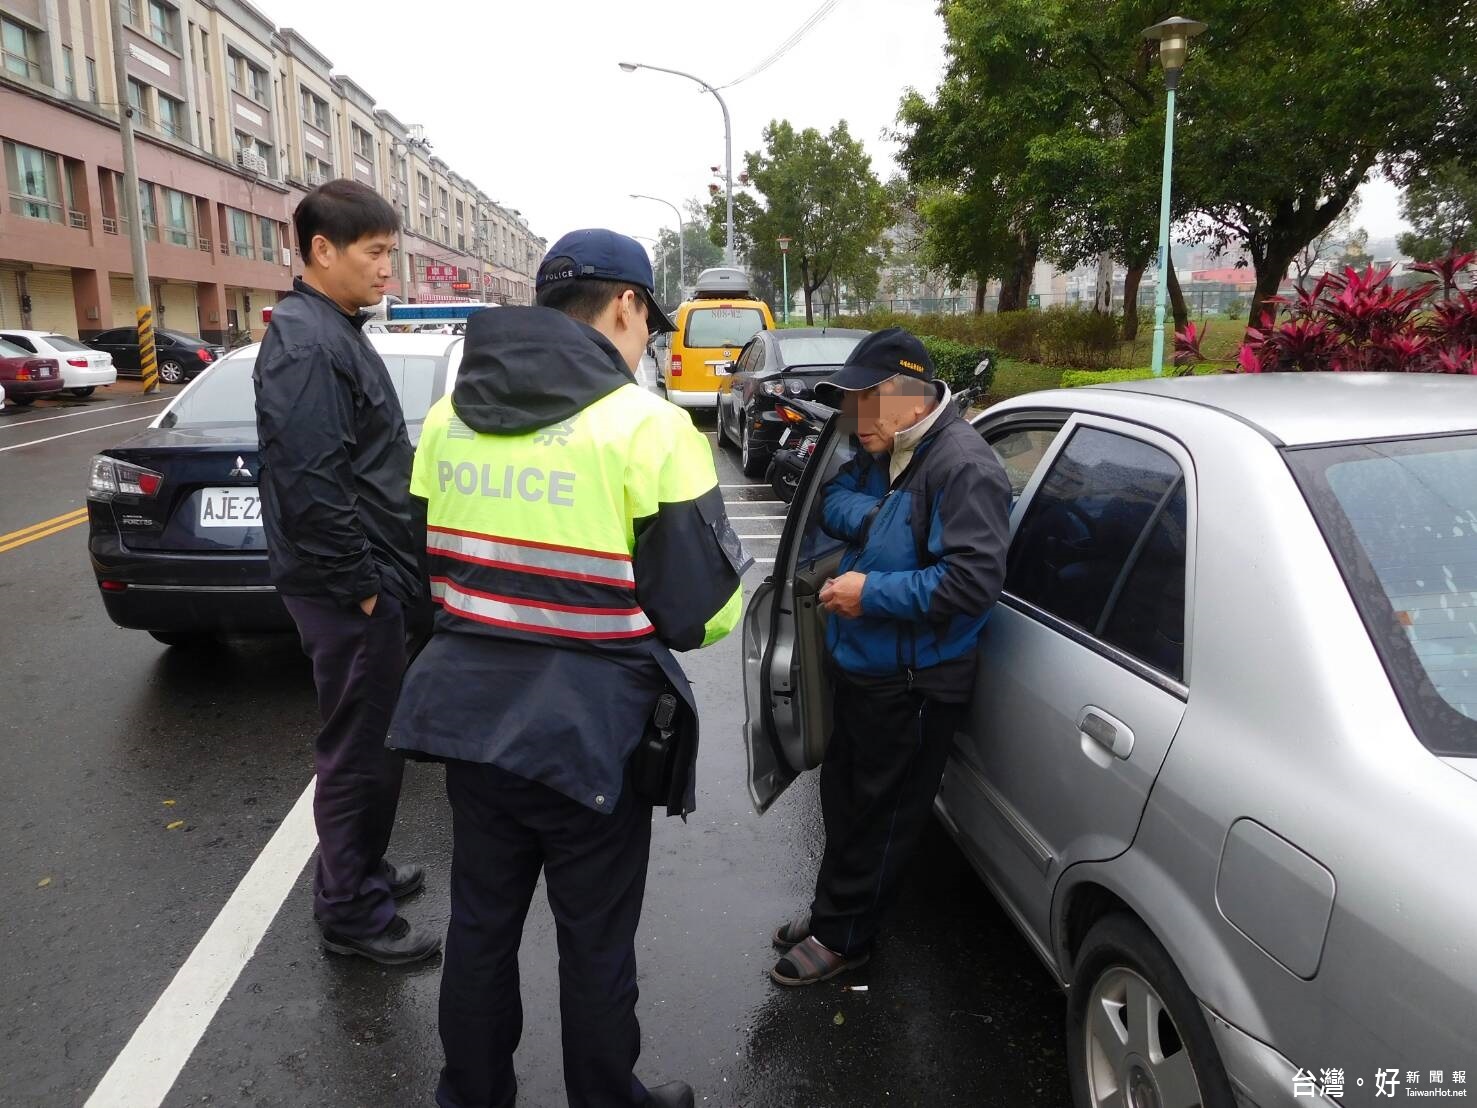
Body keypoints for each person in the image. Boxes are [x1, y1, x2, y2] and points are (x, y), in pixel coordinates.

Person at [387, 228, 746, 1108]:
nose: (645, 342)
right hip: (592, 730)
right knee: (592, 939)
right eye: (647, 323)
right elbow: (698, 613)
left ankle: (470, 1096)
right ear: (625, 306)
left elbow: (421, 566)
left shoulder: (446, 417)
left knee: (479, 926)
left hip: (469, 719)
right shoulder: (647, 426)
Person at [769, 327, 1011, 986]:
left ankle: (847, 937)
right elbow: (831, 497)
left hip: (914, 681)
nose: (853, 419)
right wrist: (882, 519)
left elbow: (971, 583)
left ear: (906, 392)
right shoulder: (889, 447)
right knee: (846, 799)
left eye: (863, 401)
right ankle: (831, 912)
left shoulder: (961, 466)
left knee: (883, 815)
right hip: (866, 666)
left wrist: (870, 590)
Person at [253, 179, 439, 965]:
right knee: (359, 750)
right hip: (348, 590)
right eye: (376, 253)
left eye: (392, 253)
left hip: (363, 578)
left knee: (375, 743)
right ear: (320, 250)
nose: (388, 268)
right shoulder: (307, 340)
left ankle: (362, 871)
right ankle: (350, 913)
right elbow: (311, 482)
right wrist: (363, 584)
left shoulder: (333, 326)